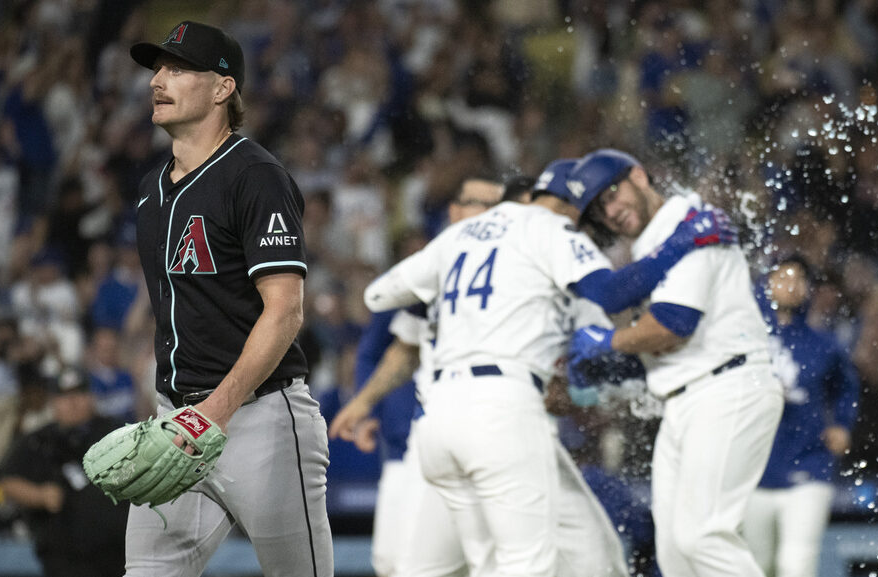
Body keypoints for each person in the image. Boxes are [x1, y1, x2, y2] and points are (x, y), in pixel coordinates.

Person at [360, 157, 732, 576]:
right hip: (501, 407)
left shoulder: (458, 234)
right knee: (527, 564)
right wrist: (681, 243)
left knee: (509, 562)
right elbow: (610, 294)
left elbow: (377, 296)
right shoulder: (549, 227)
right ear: (570, 202)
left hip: (437, 416)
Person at [126, 21, 331, 577]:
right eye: (157, 69)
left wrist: (213, 413)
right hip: (178, 419)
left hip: (261, 420)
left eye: (178, 69)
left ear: (222, 88)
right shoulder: (151, 188)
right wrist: (175, 411)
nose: (158, 81)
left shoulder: (255, 176)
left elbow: (285, 309)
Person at [565, 148, 784, 577]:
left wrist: (609, 340)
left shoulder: (688, 222)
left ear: (639, 177)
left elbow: (673, 326)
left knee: (702, 537)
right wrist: (609, 359)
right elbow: (655, 344)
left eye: (612, 194)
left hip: (727, 386)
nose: (611, 211)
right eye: (600, 208)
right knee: (675, 554)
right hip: (688, 397)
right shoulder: (654, 243)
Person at [339, 176, 504, 577]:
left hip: (489, 426)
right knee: (399, 562)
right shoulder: (433, 267)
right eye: (476, 202)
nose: (487, 213)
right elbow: (384, 347)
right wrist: (364, 405)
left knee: (486, 558)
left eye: (494, 204)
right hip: (419, 434)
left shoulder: (511, 265)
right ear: (454, 211)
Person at [742, 255, 859, 577]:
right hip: (754, 469)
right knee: (755, 565)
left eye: (798, 279)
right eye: (781, 277)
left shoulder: (823, 343)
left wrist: (842, 425)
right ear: (765, 284)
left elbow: (847, 388)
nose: (790, 285)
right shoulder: (743, 338)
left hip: (810, 464)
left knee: (797, 565)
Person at [0, 366, 130, 577]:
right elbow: (7, 482)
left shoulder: (118, 432)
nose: (73, 402)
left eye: (79, 394)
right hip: (65, 556)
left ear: (91, 397)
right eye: (65, 396)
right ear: (54, 402)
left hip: (119, 554)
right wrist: (39, 495)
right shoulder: (39, 440)